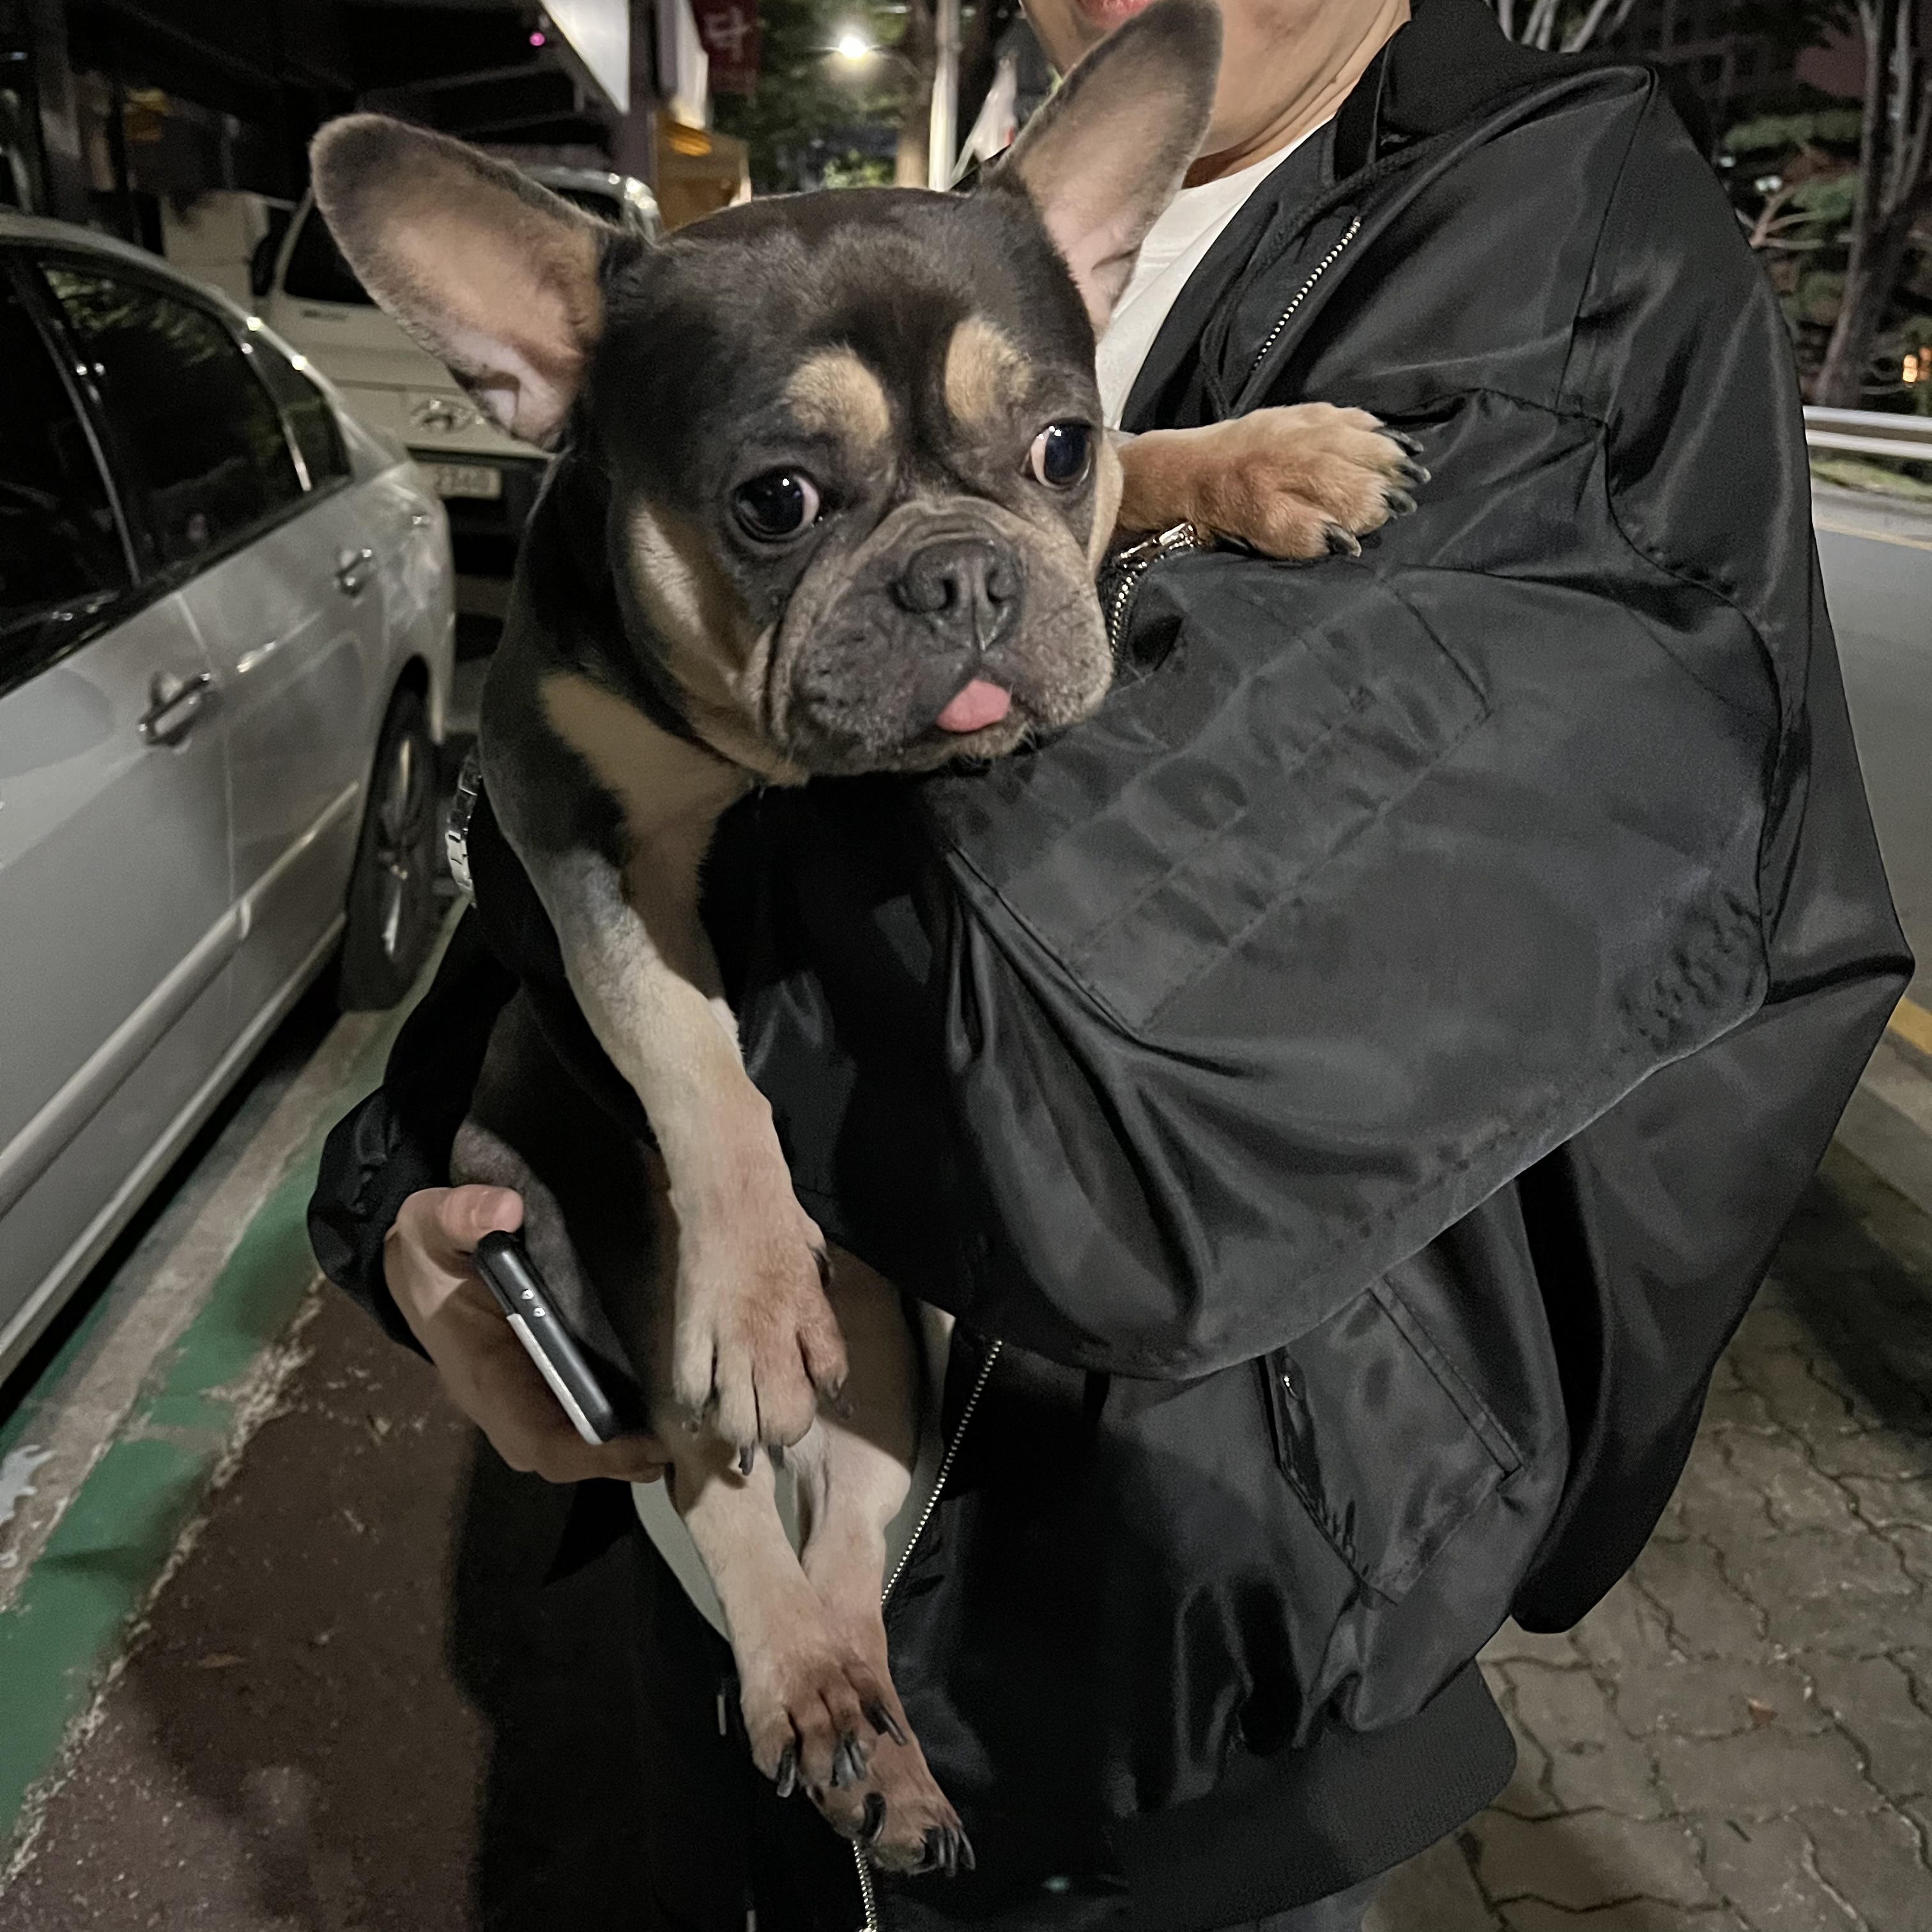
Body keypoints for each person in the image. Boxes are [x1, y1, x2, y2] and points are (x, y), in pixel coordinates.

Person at [309, 0, 1911, 1924]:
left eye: (1055, 458)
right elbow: (562, 803)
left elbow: (1093, 1073)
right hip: (752, 1643)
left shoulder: (1561, 247)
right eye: (782, 502)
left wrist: (652, 898)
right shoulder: (942, 247)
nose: (968, 576)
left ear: (1098, 252)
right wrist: (425, 1192)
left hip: (1169, 1695)